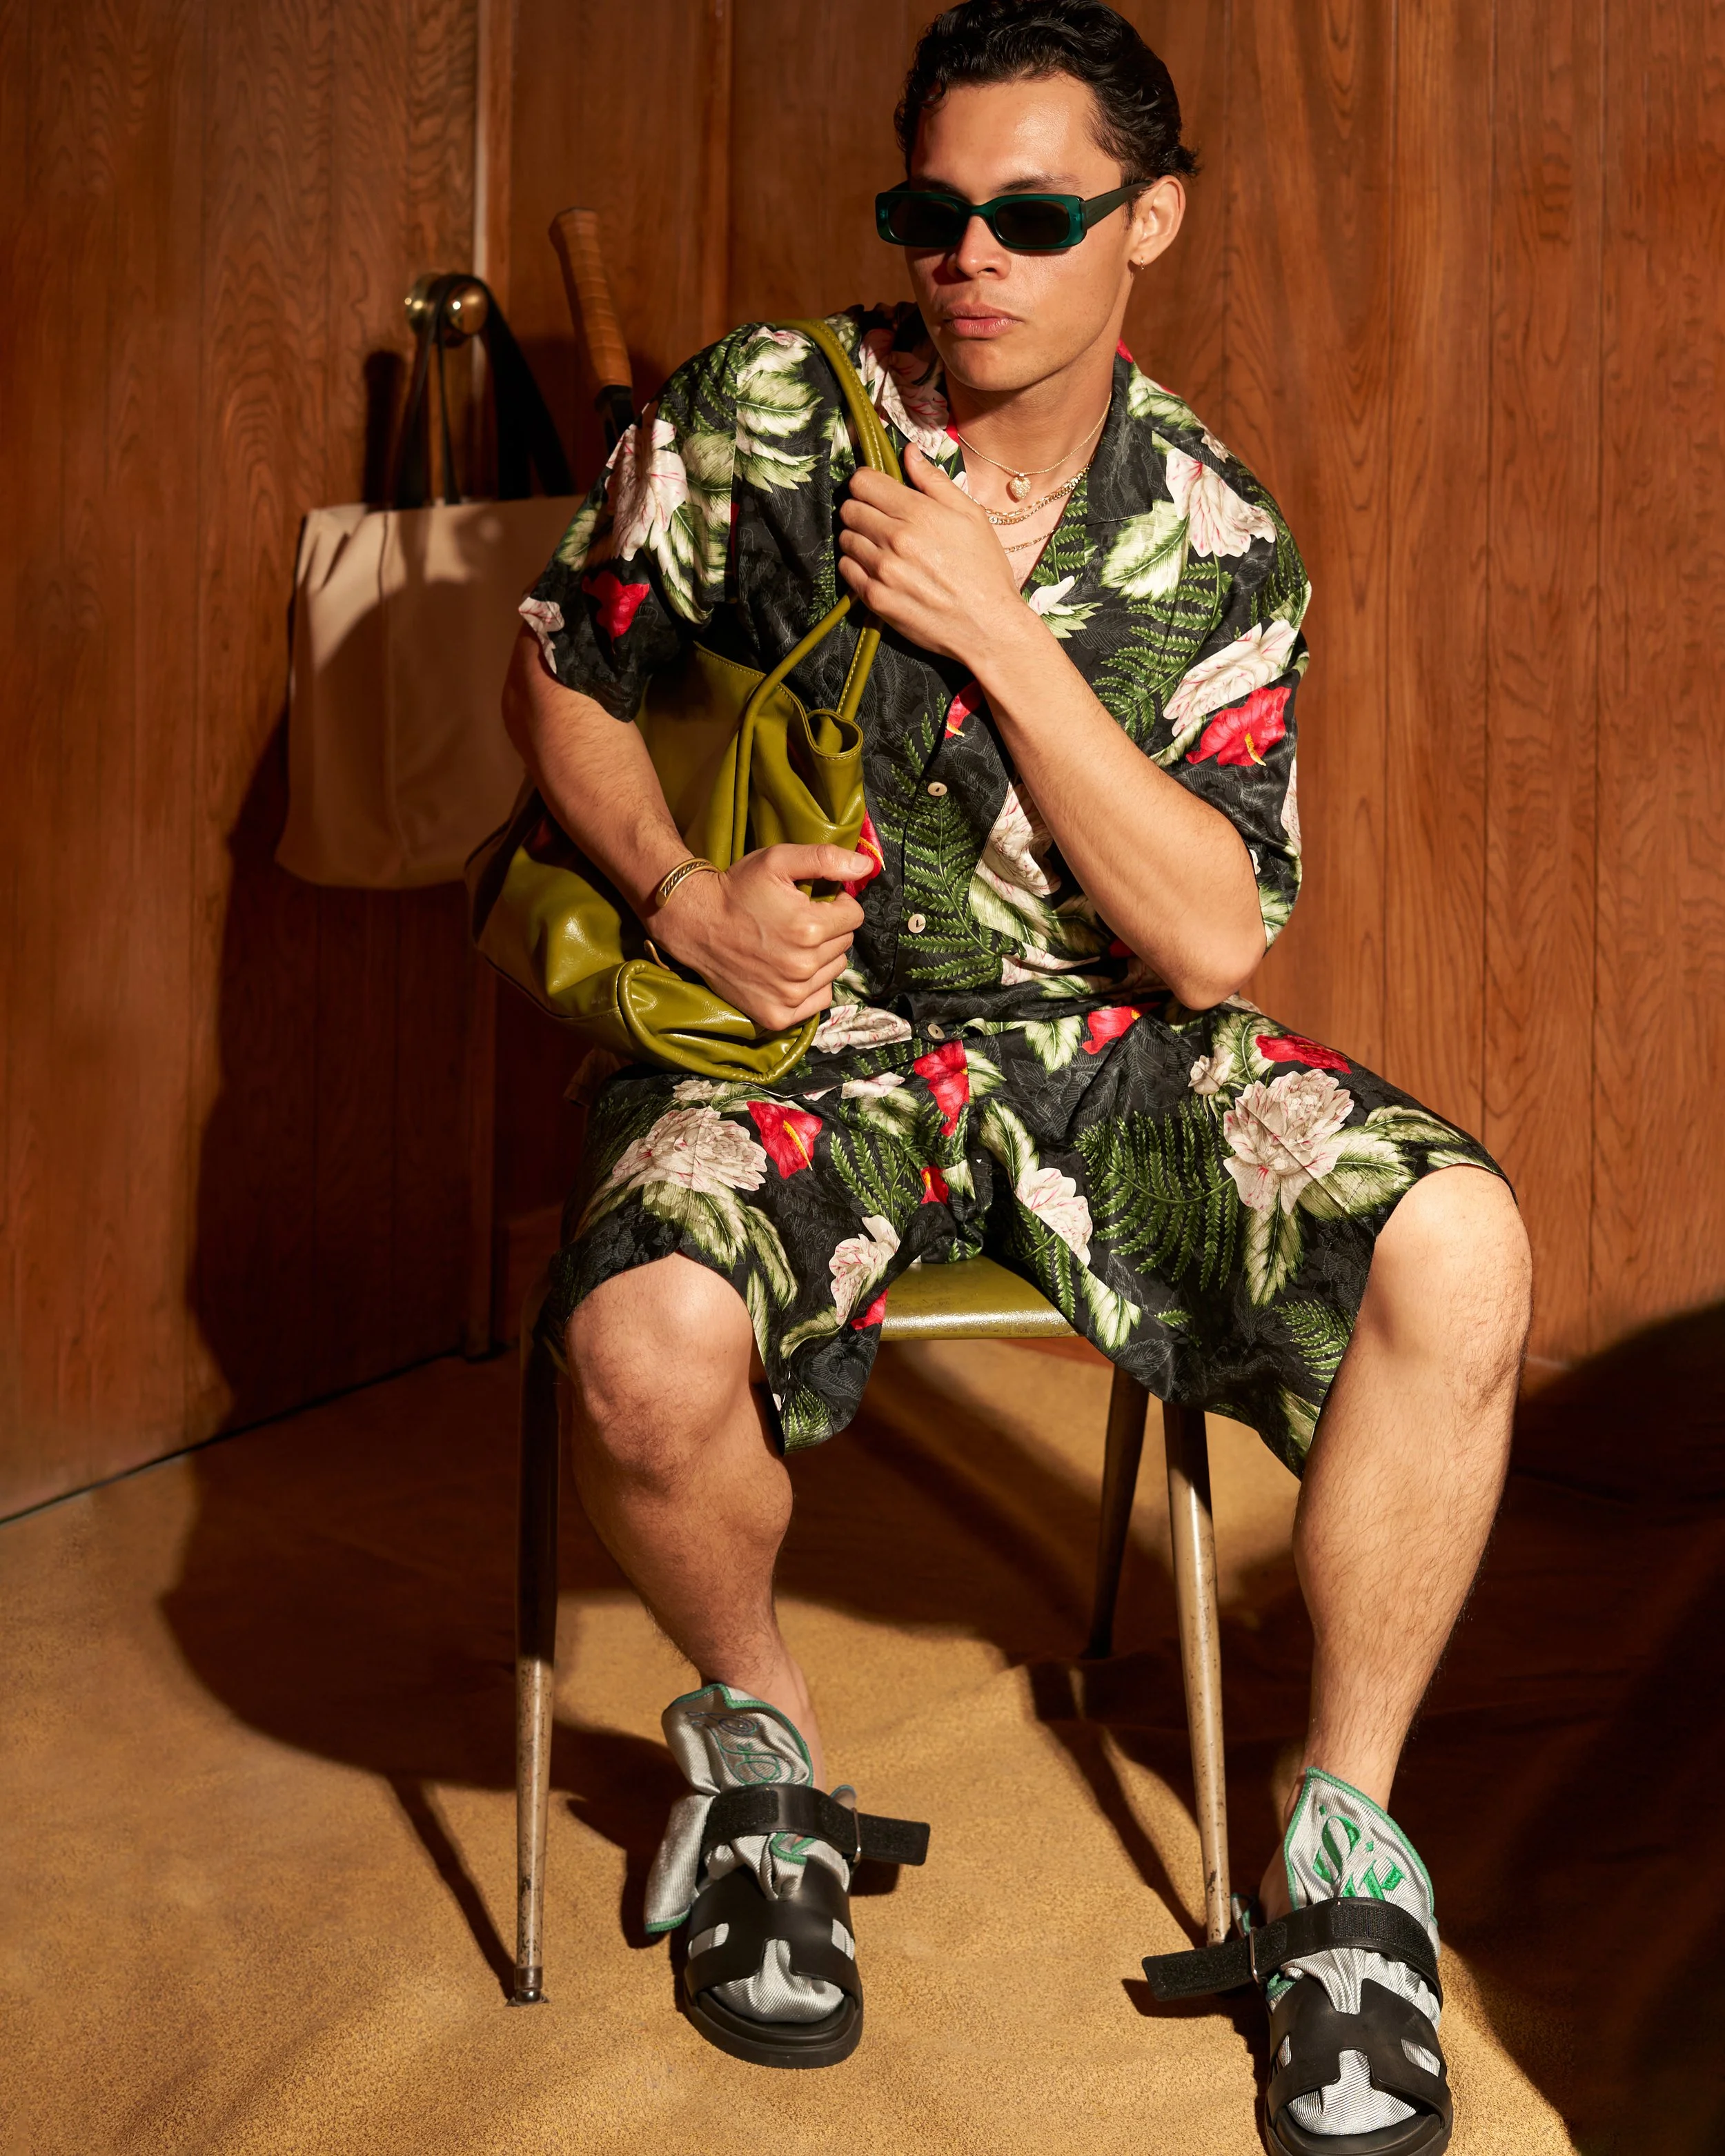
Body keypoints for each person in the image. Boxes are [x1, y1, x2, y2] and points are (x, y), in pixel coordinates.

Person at [503, 2, 1529, 2143]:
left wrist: (996, 623)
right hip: (812, 1036)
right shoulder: (762, 411)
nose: (969, 255)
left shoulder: (1213, 529)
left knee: (1459, 1240)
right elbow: (566, 671)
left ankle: (1340, 1864)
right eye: (931, 207)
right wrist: (682, 897)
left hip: (1102, 1045)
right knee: (638, 1341)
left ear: (1148, 221)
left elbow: (1212, 938)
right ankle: (760, 1754)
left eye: (1034, 215)